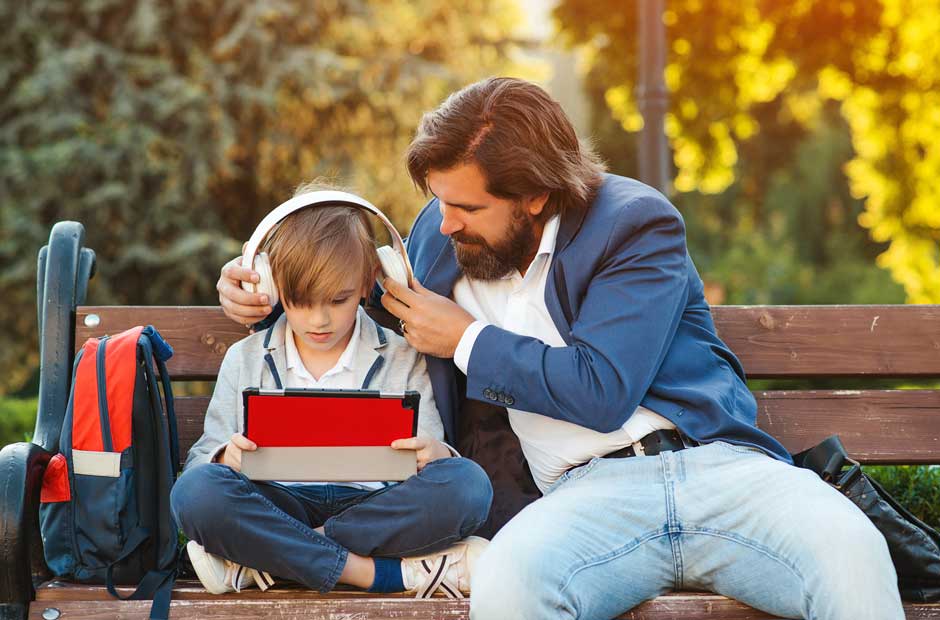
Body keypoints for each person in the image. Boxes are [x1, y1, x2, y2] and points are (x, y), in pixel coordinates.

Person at [216, 79, 904, 619]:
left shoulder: (635, 227)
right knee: (509, 587)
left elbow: (601, 390)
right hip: (581, 499)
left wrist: (468, 341)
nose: (442, 221)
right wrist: (262, 290)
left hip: (718, 473)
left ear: (536, 195)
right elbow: (346, 287)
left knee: (851, 555)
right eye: (436, 199)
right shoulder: (439, 236)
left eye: (466, 207)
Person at [172, 181, 493, 599]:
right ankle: (373, 574)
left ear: (367, 282)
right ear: (271, 286)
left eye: (337, 300)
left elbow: (434, 461)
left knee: (468, 486)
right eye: (301, 301)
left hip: (374, 509)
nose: (319, 320)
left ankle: (272, 562)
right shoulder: (245, 357)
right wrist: (224, 456)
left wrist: (434, 453)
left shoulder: (402, 356)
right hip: (279, 503)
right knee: (196, 494)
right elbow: (201, 464)